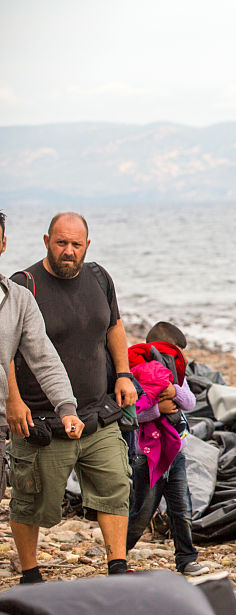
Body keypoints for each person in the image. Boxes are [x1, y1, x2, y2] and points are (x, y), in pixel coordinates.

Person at [5, 212, 138, 581]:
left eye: (75, 244)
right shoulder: (23, 286)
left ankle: (118, 567)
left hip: (96, 412)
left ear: (87, 246)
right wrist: (12, 400)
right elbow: (7, 351)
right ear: (46, 240)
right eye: (61, 242)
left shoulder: (99, 278)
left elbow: (113, 325)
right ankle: (31, 574)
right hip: (41, 418)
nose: (68, 251)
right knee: (30, 500)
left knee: (114, 486)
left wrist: (124, 374)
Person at [0, 210, 86, 537]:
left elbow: (42, 356)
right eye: (61, 242)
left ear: (4, 243)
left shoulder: (17, 299)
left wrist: (66, 407)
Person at [125, 321, 208, 577]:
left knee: (181, 509)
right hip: (146, 456)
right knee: (143, 511)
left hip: (175, 454)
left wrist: (172, 387)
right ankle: (117, 556)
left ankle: (186, 558)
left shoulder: (176, 378)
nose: (175, 360)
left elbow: (189, 402)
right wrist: (157, 409)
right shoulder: (137, 374)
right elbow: (132, 413)